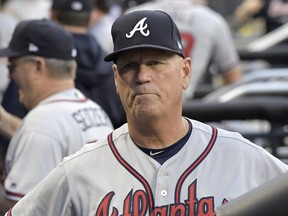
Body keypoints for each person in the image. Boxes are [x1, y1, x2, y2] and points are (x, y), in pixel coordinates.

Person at [4, 10, 288, 215]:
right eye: (129, 66)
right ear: (116, 78)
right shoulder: (79, 170)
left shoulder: (240, 157)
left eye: (155, 62)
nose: (142, 76)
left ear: (185, 71)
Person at [0, 19, 114, 212]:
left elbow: (20, 208)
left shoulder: (42, 124)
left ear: (38, 66)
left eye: (13, 67)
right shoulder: (94, 110)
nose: (10, 75)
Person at [125, 0, 243, 100]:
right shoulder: (211, 19)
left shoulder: (132, 16)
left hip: (138, 102)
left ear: (186, 68)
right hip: (188, 105)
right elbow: (233, 78)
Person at [50, 0, 126, 128]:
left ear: (52, 15)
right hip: (110, 142)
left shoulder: (45, 61)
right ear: (92, 17)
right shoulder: (110, 62)